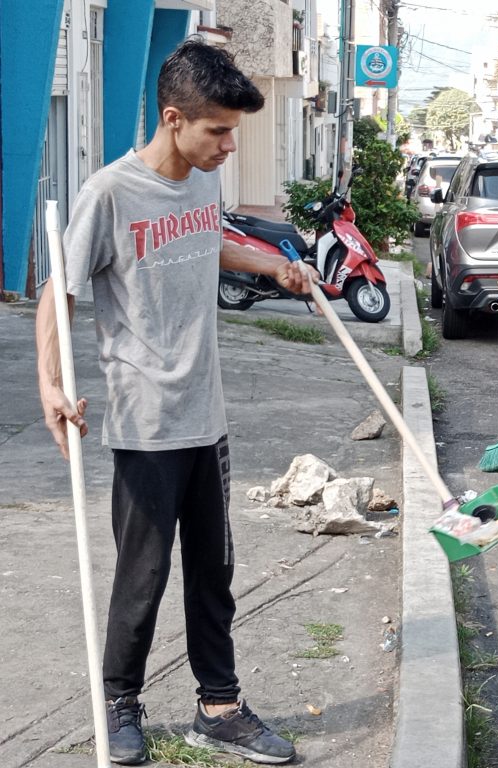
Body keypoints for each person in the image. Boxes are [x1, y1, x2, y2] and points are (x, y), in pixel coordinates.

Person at [35, 39, 309, 766]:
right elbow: (55, 291)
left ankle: (218, 707)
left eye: (233, 133)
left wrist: (273, 265)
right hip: (144, 420)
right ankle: (120, 701)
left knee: (212, 569)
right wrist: (50, 385)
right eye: (218, 131)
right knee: (143, 573)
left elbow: (209, 241)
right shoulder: (111, 194)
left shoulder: (198, 181)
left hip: (206, 415)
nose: (229, 145)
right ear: (173, 118)